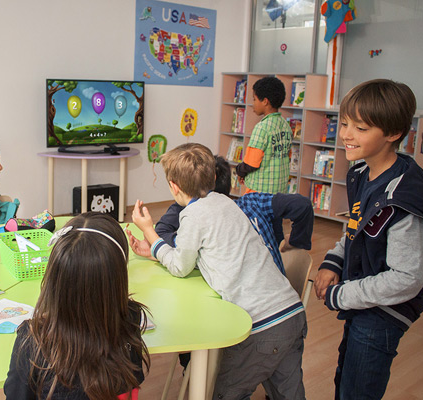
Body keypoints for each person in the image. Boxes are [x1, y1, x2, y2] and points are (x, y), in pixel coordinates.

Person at [128, 143, 307, 400]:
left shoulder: (192, 216)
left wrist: (149, 232)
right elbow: (214, 253)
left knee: (224, 394)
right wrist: (156, 250)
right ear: (213, 177)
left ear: (173, 186)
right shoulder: (225, 202)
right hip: (291, 312)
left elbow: (180, 266)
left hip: (261, 327)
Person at [314, 79, 423, 399]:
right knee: (346, 377)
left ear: (393, 133)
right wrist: (333, 261)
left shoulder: (406, 196)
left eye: (361, 128)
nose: (346, 134)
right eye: (344, 123)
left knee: (359, 388)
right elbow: (355, 229)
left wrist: (343, 294)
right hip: (362, 298)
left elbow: (408, 278)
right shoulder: (360, 174)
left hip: (384, 312)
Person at [4, 212, 150, 400]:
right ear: (117, 277)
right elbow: (133, 378)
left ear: (55, 278)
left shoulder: (33, 341)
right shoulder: (131, 316)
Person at [155, 155, 314, 275]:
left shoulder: (200, 216)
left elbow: (162, 233)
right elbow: (302, 205)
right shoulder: (253, 202)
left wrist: (181, 240)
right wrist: (294, 242)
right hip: (280, 291)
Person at [236, 76, 293, 194]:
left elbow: (251, 163)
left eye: (254, 99)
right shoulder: (286, 126)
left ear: (265, 101)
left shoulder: (262, 127)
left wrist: (239, 171)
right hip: (279, 192)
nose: (253, 104)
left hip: (259, 193)